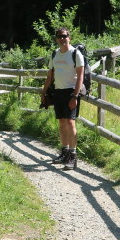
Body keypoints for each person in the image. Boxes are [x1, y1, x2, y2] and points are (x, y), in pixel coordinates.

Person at [40, 28, 84, 170]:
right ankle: (64, 152)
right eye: (59, 36)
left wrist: (75, 96)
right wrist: (44, 92)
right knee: (62, 123)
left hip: (71, 91)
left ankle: (73, 156)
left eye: (64, 36)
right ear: (56, 39)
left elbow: (81, 76)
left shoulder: (75, 53)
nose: (62, 39)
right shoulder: (55, 54)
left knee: (71, 123)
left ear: (69, 37)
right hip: (58, 92)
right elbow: (50, 75)